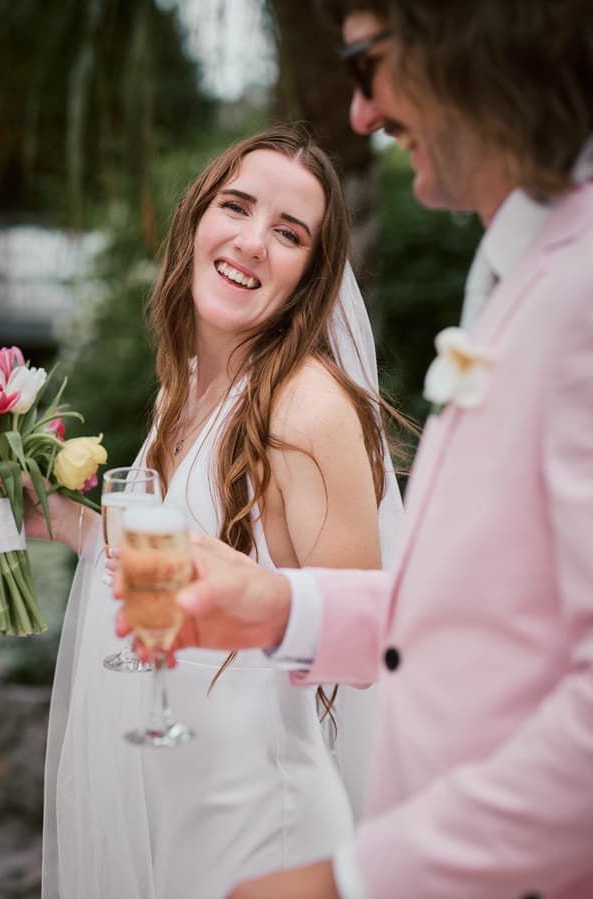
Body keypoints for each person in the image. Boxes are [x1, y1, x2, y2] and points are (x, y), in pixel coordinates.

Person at [145, 2, 593, 897]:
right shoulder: (522, 268)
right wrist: (283, 607)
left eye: (366, 63)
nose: (361, 113)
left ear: (467, 43)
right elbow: (486, 610)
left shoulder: (581, 293)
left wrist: (355, 879)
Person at [27, 125, 405, 899]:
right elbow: (175, 558)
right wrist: (61, 518)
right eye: (237, 206)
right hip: (169, 800)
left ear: (311, 278)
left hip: (259, 831)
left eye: (289, 233)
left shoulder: (307, 406)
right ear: (197, 219)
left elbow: (366, 645)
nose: (253, 241)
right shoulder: (186, 386)